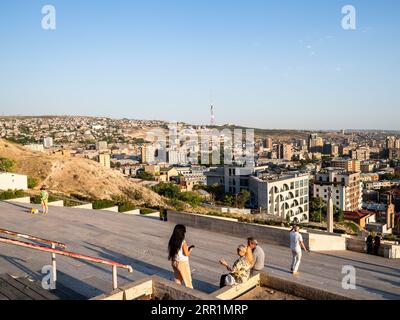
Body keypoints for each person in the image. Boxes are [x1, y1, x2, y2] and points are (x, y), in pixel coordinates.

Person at [168, 224, 194, 289]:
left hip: (174, 261)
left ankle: (176, 291)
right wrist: (190, 250)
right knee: (188, 281)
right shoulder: (183, 242)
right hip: (182, 263)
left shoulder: (172, 240)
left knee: (178, 279)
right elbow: (186, 254)